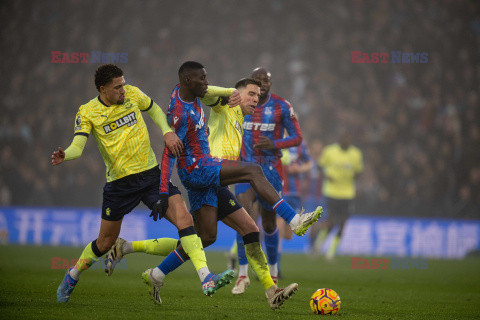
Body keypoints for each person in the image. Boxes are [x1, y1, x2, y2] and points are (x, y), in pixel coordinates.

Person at [53, 64, 231, 303]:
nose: (123, 90)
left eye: (123, 84)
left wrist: (168, 131)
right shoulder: (87, 111)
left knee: (185, 220)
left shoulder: (133, 95)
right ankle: (72, 274)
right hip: (119, 184)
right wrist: (66, 154)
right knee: (104, 243)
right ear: (103, 89)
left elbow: (156, 110)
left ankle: (206, 277)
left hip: (150, 176)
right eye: (117, 87)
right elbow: (78, 145)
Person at [157, 61, 323, 309]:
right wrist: (229, 93)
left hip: (210, 179)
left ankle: (156, 274)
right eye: (251, 94)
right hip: (199, 170)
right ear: (237, 95)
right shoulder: (225, 107)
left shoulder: (241, 119)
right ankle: (293, 218)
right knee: (252, 171)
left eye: (259, 95)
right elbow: (206, 93)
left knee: (219, 235)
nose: (257, 99)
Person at [232, 68, 322, 294]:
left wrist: (274, 144)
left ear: (270, 84)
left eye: (266, 81)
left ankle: (272, 273)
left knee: (270, 224)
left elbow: (297, 137)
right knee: (245, 217)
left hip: (271, 169)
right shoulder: (238, 103)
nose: (262, 84)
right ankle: (242, 275)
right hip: (244, 166)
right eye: (258, 81)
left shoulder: (282, 106)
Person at [317, 130, 363, 260]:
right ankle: (319, 245)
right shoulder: (329, 151)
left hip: (347, 193)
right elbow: (320, 166)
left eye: (348, 139)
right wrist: (327, 175)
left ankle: (331, 252)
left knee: (343, 223)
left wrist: (355, 177)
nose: (346, 141)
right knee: (330, 222)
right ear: (339, 139)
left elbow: (359, 171)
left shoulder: (356, 154)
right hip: (331, 191)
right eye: (343, 138)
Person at [276, 141, 314, 276]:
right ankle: (275, 268)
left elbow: (310, 163)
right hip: (280, 191)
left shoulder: (300, 144)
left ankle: (267, 244)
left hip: (295, 193)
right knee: (278, 231)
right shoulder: (276, 140)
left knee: (288, 235)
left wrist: (299, 169)